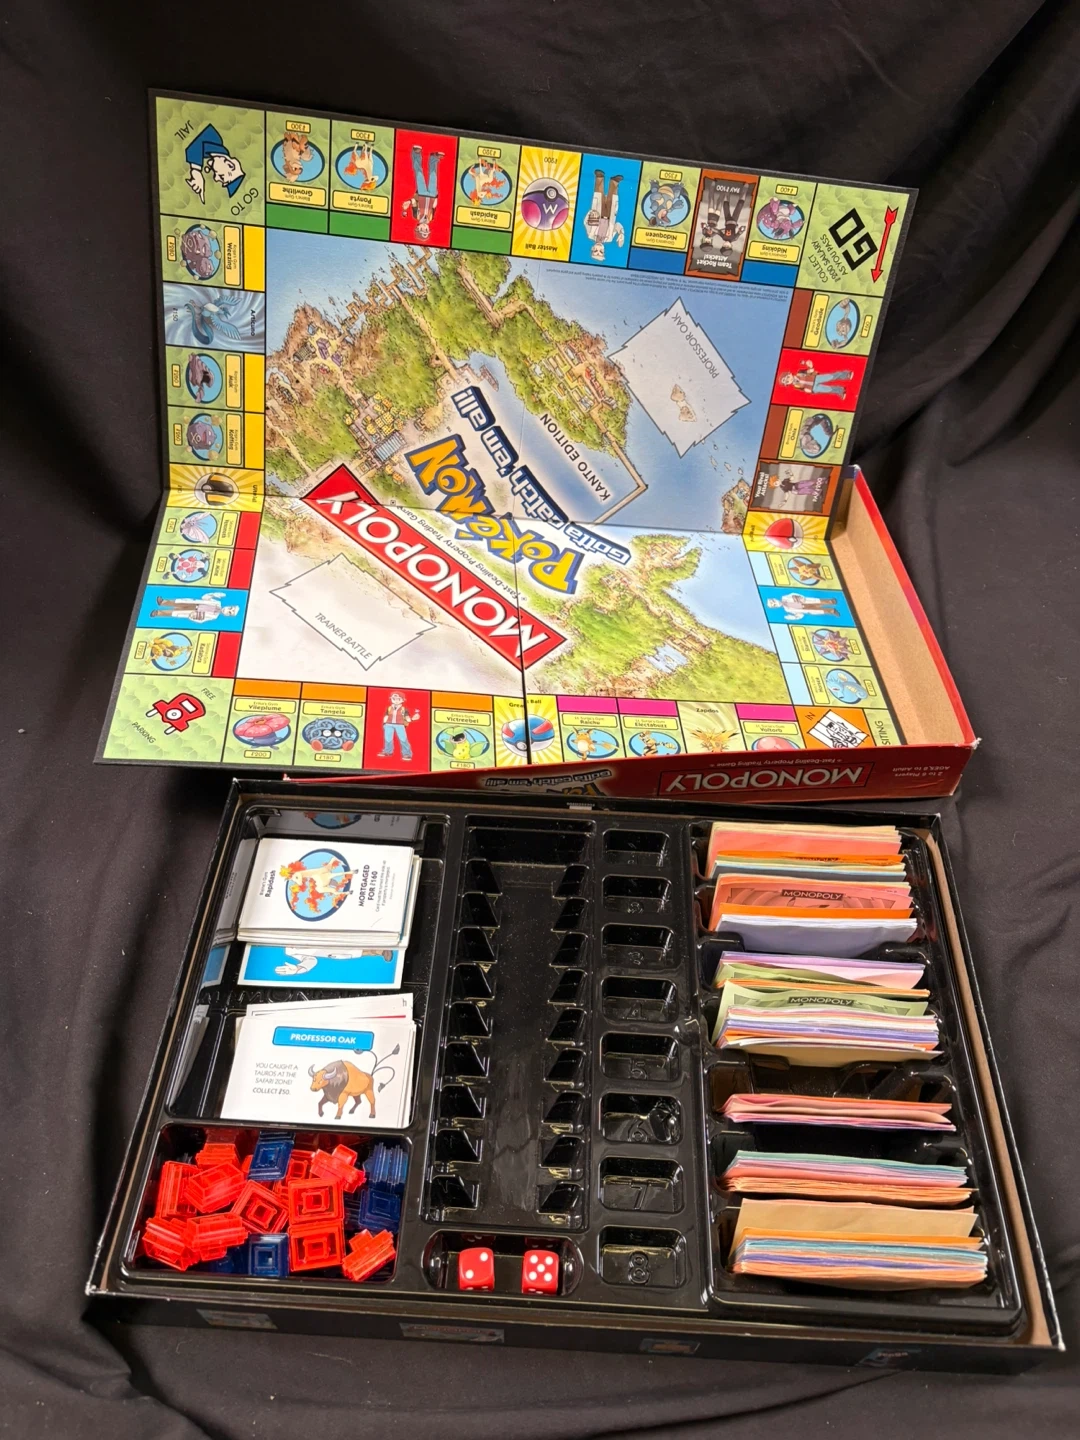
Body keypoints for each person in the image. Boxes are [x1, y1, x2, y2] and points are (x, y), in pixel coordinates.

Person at [184, 124, 246, 203]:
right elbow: (193, 148)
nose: (216, 179)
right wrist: (196, 170)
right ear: (229, 165)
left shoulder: (205, 153)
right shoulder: (214, 137)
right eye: (222, 177)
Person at [402, 145, 445, 240]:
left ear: (417, 228)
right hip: (432, 195)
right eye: (426, 230)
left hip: (421, 194)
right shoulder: (431, 218)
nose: (425, 228)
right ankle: (434, 158)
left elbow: (414, 202)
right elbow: (434, 207)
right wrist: (436, 197)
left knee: (419, 174)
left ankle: (416, 153)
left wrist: (408, 202)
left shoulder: (416, 216)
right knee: (433, 175)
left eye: (422, 230)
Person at [583, 169, 624, 261]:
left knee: (599, 194)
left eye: (595, 251)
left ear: (592, 248)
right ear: (604, 250)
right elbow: (617, 225)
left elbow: (585, 222)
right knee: (612, 199)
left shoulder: (590, 235)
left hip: (598, 213)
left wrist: (590, 213)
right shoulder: (609, 238)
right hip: (610, 216)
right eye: (601, 251)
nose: (598, 249)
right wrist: (621, 233)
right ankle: (614, 182)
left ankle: (599, 177)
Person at [779, 359, 854, 399]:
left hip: (815, 378)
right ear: (787, 384)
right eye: (787, 381)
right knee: (828, 389)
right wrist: (809, 391)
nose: (789, 380)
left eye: (788, 377)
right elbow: (803, 389)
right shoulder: (796, 386)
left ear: (789, 374)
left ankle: (846, 374)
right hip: (814, 388)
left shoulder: (799, 373)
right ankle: (840, 390)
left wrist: (810, 366)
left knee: (830, 376)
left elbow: (809, 371)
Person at [148, 591, 239, 623]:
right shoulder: (217, 602)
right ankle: (163, 602)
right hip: (194, 604)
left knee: (175, 613)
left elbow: (202, 620)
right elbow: (204, 597)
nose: (227, 610)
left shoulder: (214, 616)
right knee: (178, 603)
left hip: (193, 612)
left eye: (229, 612)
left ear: (227, 615)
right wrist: (213, 594)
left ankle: (158, 613)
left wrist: (193, 618)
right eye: (230, 608)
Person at [379, 691, 420, 760]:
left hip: (400, 725)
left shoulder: (404, 709)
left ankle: (407, 754)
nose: (396, 701)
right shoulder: (389, 708)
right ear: (391, 699)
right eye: (394, 699)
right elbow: (386, 716)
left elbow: (407, 717)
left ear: (403, 700)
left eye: (398, 699)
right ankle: (387, 751)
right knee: (388, 738)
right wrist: (384, 723)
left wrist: (412, 719)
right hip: (388, 724)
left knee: (403, 739)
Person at [766, 593, 841, 621]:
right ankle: (832, 611)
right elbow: (799, 614)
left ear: (775, 599)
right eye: (774, 605)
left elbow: (793, 594)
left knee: (817, 602)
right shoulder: (787, 609)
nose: (776, 604)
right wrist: (793, 617)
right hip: (804, 608)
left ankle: (831, 601)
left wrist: (798, 597)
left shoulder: (785, 597)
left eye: (774, 602)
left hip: (803, 601)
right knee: (818, 610)